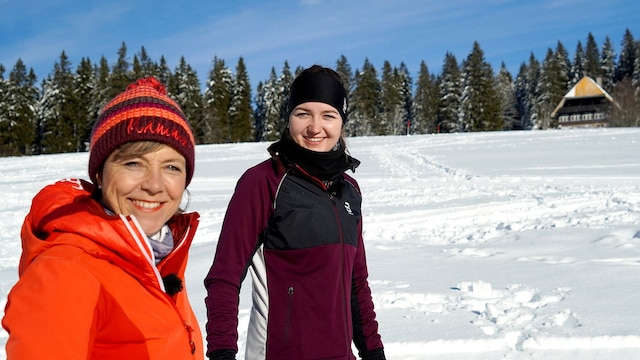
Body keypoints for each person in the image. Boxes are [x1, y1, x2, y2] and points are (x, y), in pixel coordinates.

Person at [2, 77, 204, 360]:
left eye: (171, 167)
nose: (155, 185)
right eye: (134, 163)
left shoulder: (159, 260)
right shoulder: (66, 271)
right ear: (100, 174)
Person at [204, 65, 386, 359]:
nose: (315, 127)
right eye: (303, 114)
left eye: (328, 115)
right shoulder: (263, 182)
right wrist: (222, 352)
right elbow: (224, 276)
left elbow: (357, 283)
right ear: (288, 118)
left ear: (341, 123)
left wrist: (373, 351)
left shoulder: (349, 189)